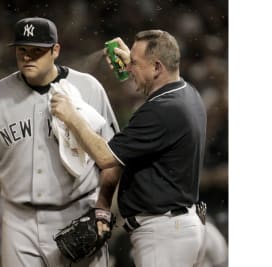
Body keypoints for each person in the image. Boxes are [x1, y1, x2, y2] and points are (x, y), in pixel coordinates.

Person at [0, 17, 120, 267]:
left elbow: (113, 159)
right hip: (19, 222)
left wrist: (102, 207)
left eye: (37, 50)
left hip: (77, 213)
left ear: (55, 50)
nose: (28, 57)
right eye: (22, 50)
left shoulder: (88, 88)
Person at [51, 30, 207, 267]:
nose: (129, 68)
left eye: (134, 63)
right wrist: (135, 60)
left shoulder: (161, 110)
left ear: (156, 67)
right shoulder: (187, 93)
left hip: (164, 233)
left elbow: (106, 157)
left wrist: (72, 117)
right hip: (179, 226)